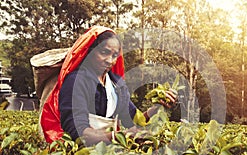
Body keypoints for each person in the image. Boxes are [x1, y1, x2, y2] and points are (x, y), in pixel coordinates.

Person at [40, 26, 177, 146]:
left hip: (107, 152)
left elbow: (134, 119)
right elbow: (78, 131)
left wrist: (159, 105)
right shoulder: (76, 81)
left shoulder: (116, 84)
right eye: (104, 52)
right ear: (90, 51)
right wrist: (118, 136)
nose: (109, 61)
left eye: (115, 55)